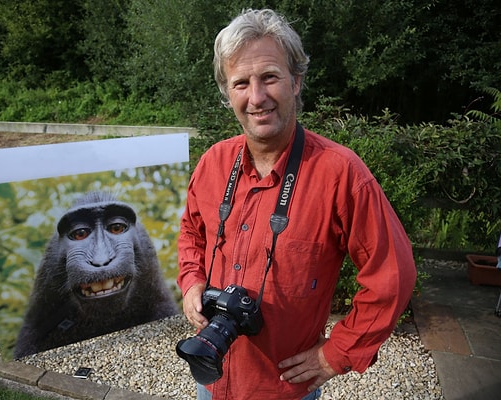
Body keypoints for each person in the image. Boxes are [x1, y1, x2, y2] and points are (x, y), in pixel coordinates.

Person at [176, 8, 417, 400]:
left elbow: (393, 272)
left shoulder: (340, 174)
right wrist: (191, 281)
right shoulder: (213, 163)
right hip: (211, 376)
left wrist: (337, 353)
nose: (257, 97)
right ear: (227, 94)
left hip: (284, 388)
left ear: (296, 81)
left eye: (269, 77)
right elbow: (191, 230)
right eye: (241, 83)